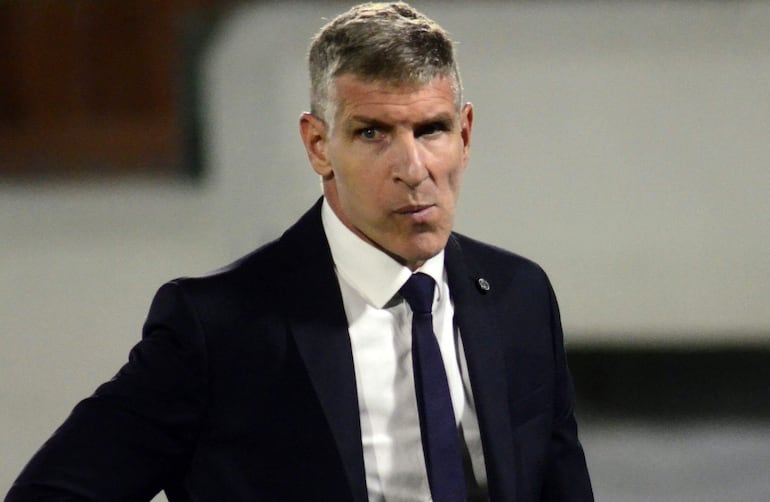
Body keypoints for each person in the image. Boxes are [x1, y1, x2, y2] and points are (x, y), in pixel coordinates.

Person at [6, 2, 593, 501]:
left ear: (464, 134)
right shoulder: (219, 328)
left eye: (431, 130)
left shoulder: (519, 295)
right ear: (318, 145)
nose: (413, 169)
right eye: (372, 133)